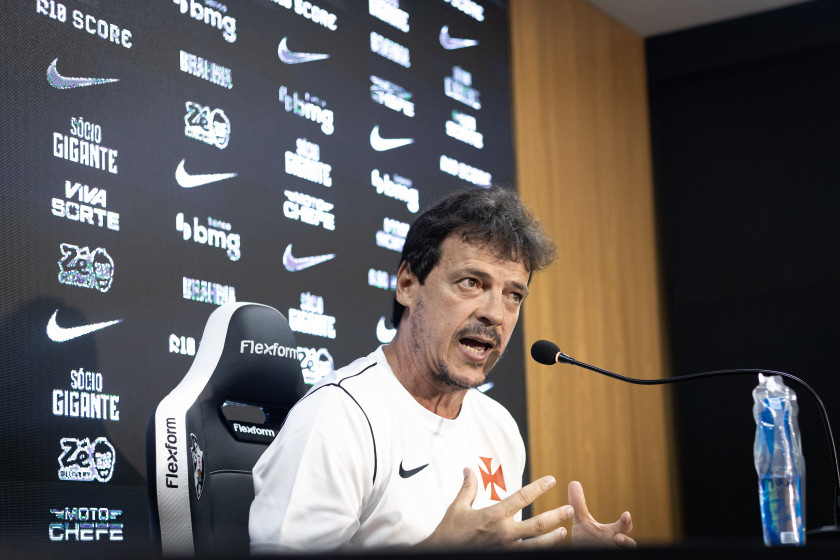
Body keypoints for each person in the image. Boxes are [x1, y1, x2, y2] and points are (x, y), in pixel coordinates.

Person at [249, 186, 635, 552]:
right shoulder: (337, 417)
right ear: (407, 284)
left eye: (513, 295)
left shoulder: (499, 427)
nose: (495, 313)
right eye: (471, 282)